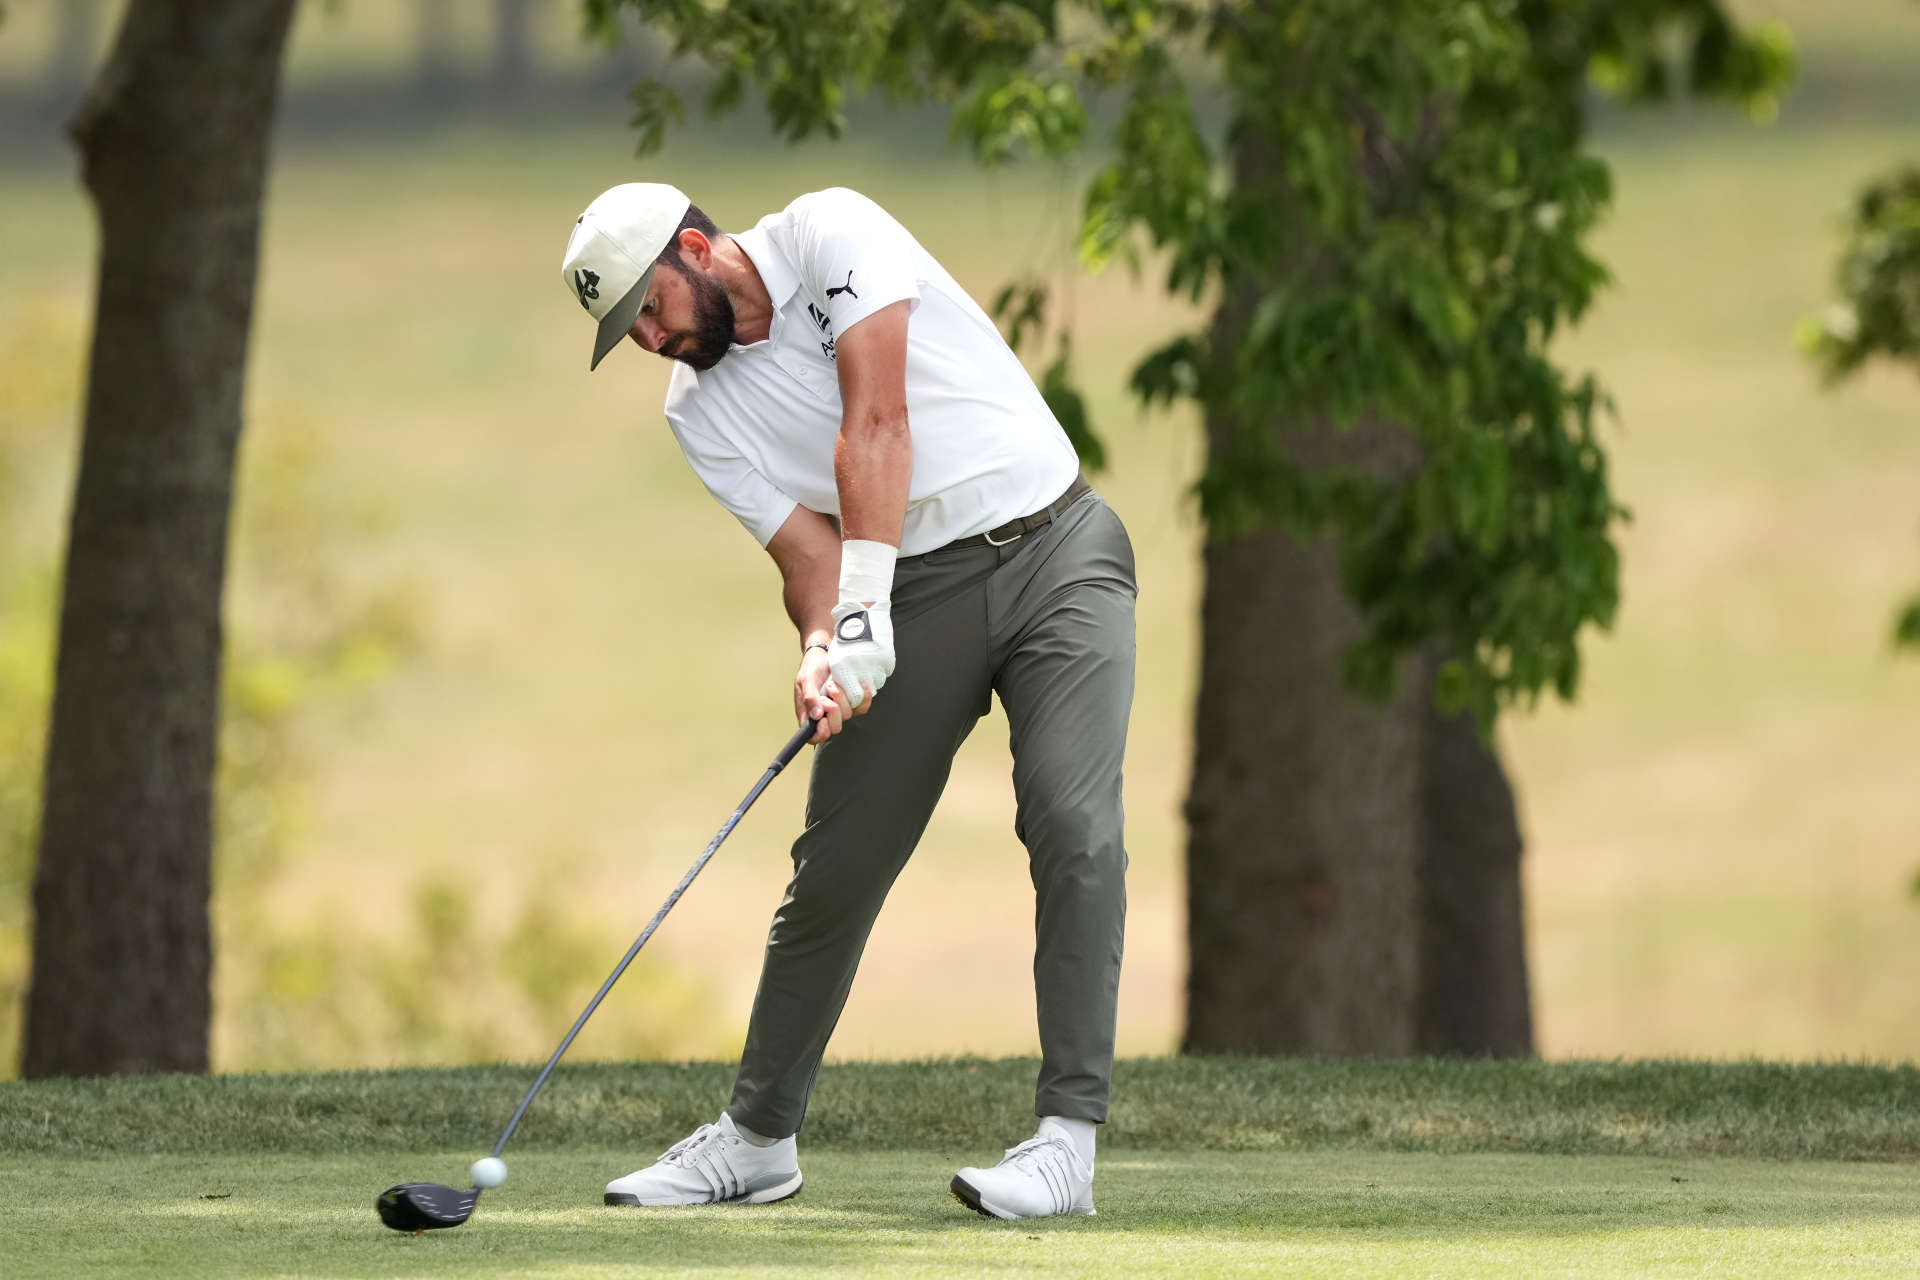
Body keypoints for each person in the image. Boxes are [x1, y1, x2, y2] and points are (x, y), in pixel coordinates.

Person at [560, 182, 1136, 1220]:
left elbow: (878, 422)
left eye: (651, 308)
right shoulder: (699, 413)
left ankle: (1065, 1143)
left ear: (695, 247)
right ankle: (757, 1138)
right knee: (838, 863)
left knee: (1072, 820)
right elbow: (807, 554)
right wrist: (827, 645)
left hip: (1058, 548)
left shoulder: (835, 231)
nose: (649, 340)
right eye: (629, 330)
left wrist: (863, 607)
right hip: (913, 587)